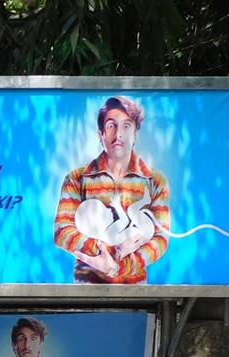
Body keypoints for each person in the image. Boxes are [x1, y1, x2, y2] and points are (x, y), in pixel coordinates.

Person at [53, 96, 170, 284]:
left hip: (137, 292)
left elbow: (160, 239)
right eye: (111, 125)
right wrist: (106, 253)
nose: (118, 135)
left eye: (126, 125)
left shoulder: (155, 181)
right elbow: (62, 231)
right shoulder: (77, 178)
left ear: (136, 133)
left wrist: (119, 267)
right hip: (85, 290)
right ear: (101, 134)